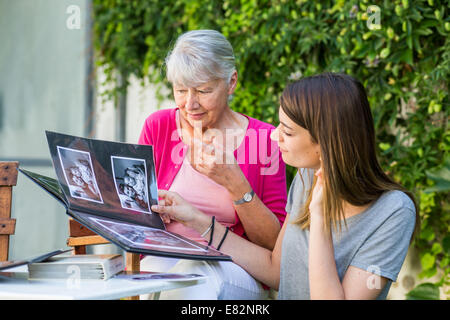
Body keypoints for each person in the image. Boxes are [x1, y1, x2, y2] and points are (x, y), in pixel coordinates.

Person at [152, 72, 420, 300]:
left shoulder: (394, 212)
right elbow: (275, 269)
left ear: (326, 143)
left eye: (287, 131)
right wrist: (195, 218)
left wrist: (319, 215)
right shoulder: (306, 177)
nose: (272, 134)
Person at [138, 29, 287, 299]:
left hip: (233, 267)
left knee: (192, 284)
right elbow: (134, 214)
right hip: (164, 256)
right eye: (181, 90)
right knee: (140, 284)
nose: (190, 104)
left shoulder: (264, 140)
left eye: (204, 90)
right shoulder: (157, 126)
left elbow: (274, 244)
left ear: (231, 83)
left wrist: (234, 182)